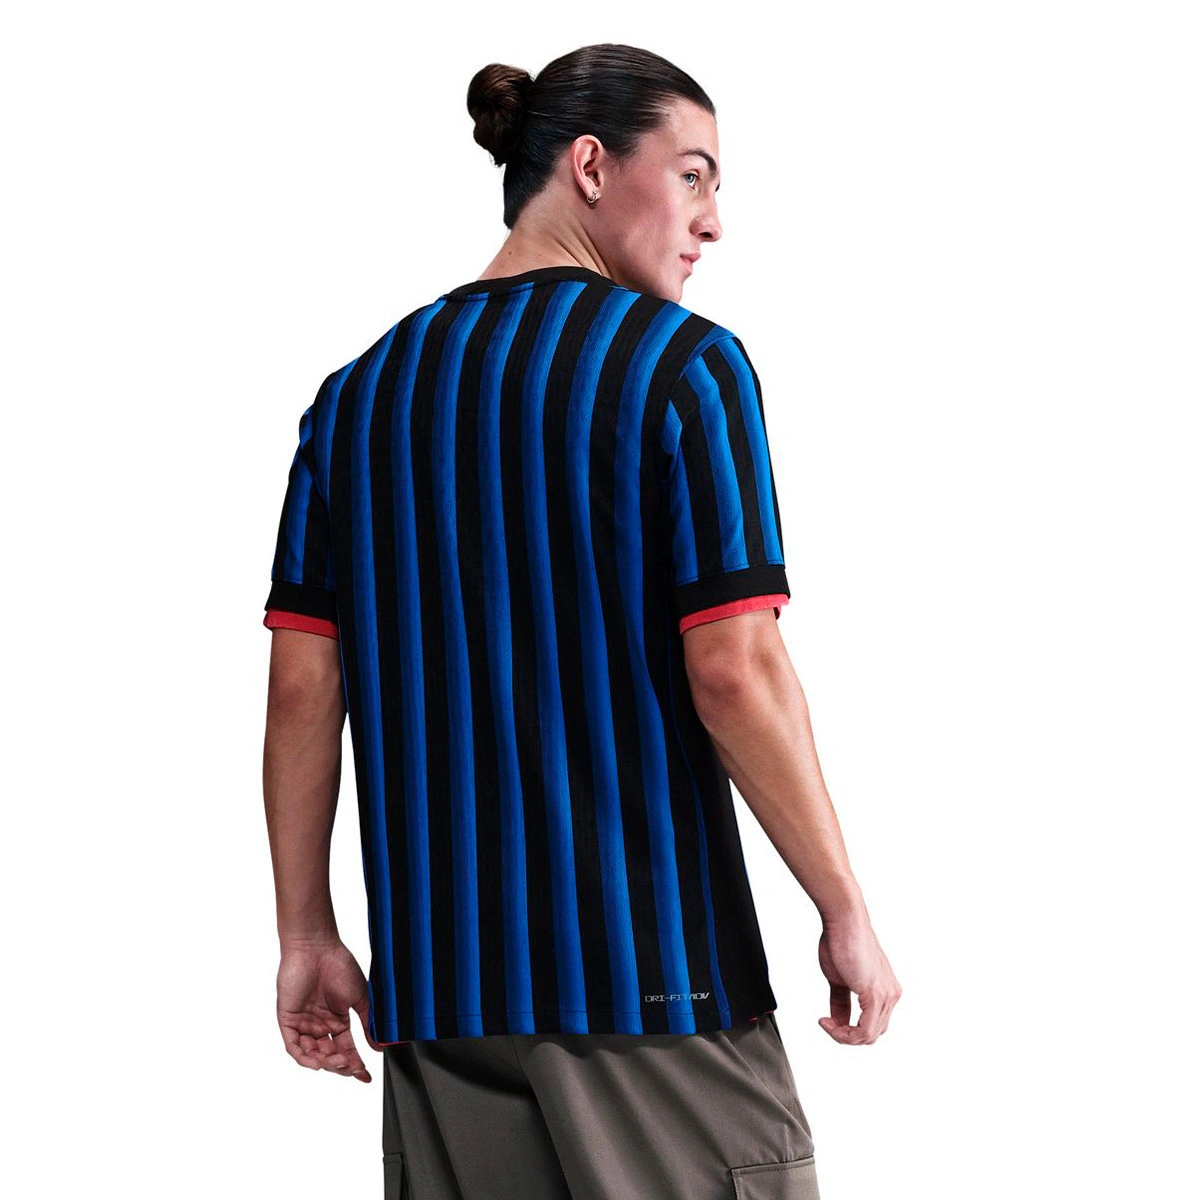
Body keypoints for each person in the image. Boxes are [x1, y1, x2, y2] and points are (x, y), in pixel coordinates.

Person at [261, 42, 900, 1200]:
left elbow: (305, 685)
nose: (713, 222)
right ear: (592, 166)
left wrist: (306, 935)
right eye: (694, 175)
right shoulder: (684, 369)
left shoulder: (355, 400)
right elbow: (736, 669)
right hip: (650, 984)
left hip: (441, 1001)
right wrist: (842, 905)